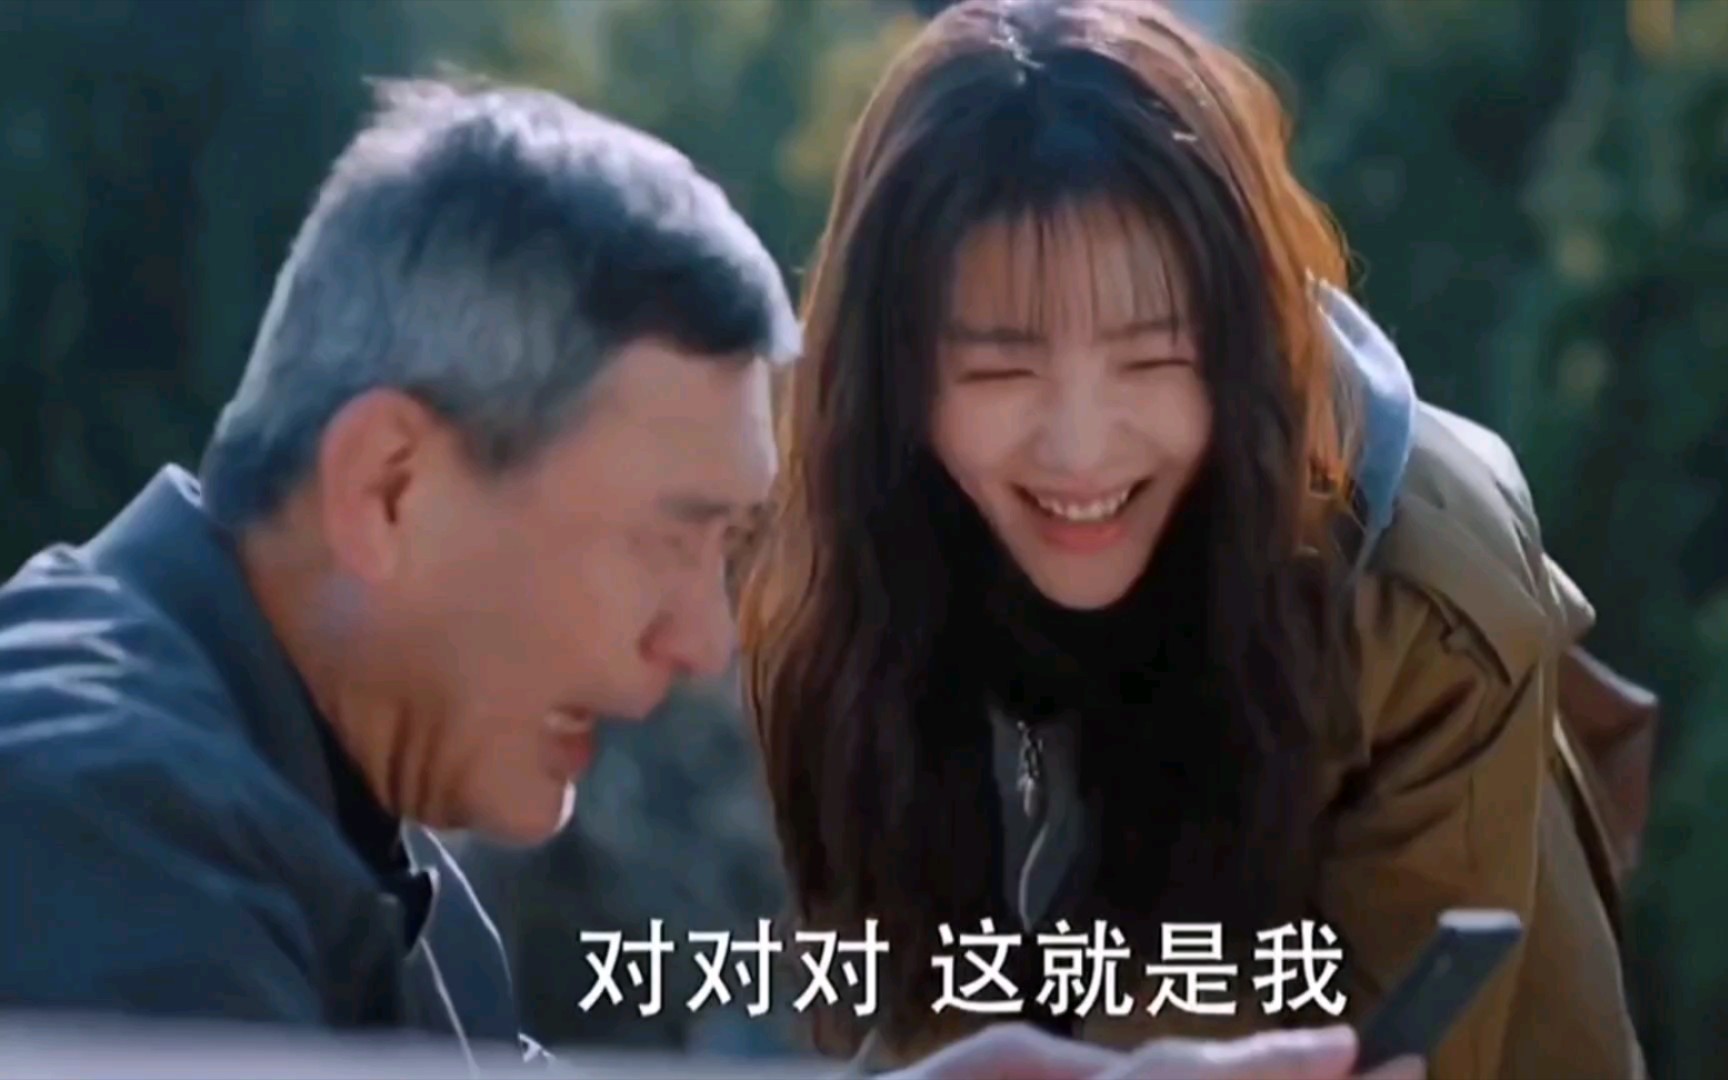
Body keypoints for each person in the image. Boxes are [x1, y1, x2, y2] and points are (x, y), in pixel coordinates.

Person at [0, 76, 1404, 1080]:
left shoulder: (336, 798)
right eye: (663, 538)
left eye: (729, 550)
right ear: (390, 488)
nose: (701, 643)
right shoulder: (100, 826)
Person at [737, 1, 1647, 1077]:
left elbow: (1400, 1049)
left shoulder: (1421, 591)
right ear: (891, 380)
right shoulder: (855, 566)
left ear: (1243, 345)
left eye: (1153, 360)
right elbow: (912, 1007)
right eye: (999, 369)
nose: (1080, 450)